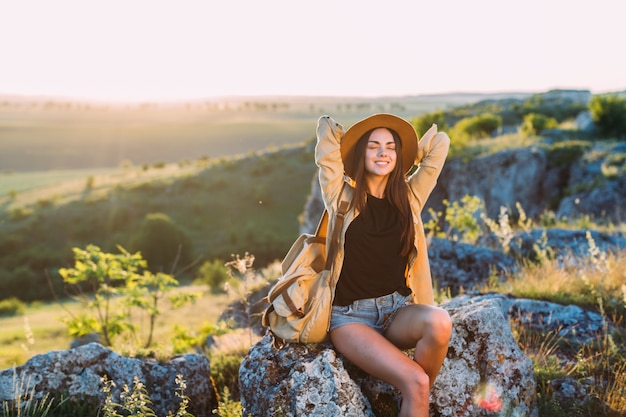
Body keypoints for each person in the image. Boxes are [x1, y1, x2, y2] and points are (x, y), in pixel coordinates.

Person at [315, 113, 452, 417]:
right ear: (359, 153)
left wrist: (407, 151)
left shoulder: (409, 198)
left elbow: (440, 144)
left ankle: (414, 395)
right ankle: (415, 391)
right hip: (351, 319)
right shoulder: (342, 198)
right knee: (417, 381)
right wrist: (348, 140)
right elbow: (325, 139)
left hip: (397, 311)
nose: (382, 153)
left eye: (390, 147)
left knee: (440, 322)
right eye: (373, 146)